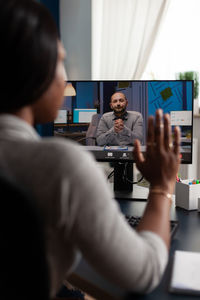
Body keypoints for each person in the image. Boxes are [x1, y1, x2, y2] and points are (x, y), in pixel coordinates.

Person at [0, 0, 181, 298]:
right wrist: (162, 185)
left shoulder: (134, 118)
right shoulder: (64, 164)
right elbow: (144, 272)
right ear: (31, 69)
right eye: (60, 61)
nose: (65, 78)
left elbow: (126, 143)